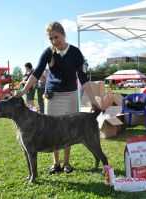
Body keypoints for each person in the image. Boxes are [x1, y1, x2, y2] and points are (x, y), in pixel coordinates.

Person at [16, 21, 100, 174]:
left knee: (69, 131)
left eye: (56, 37)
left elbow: (83, 79)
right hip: (53, 96)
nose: (54, 41)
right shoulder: (48, 52)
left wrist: (94, 102)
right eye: (51, 38)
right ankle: (56, 163)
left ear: (63, 34)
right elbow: (36, 74)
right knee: (52, 130)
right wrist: (23, 91)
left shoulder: (75, 52)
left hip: (70, 95)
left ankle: (67, 163)